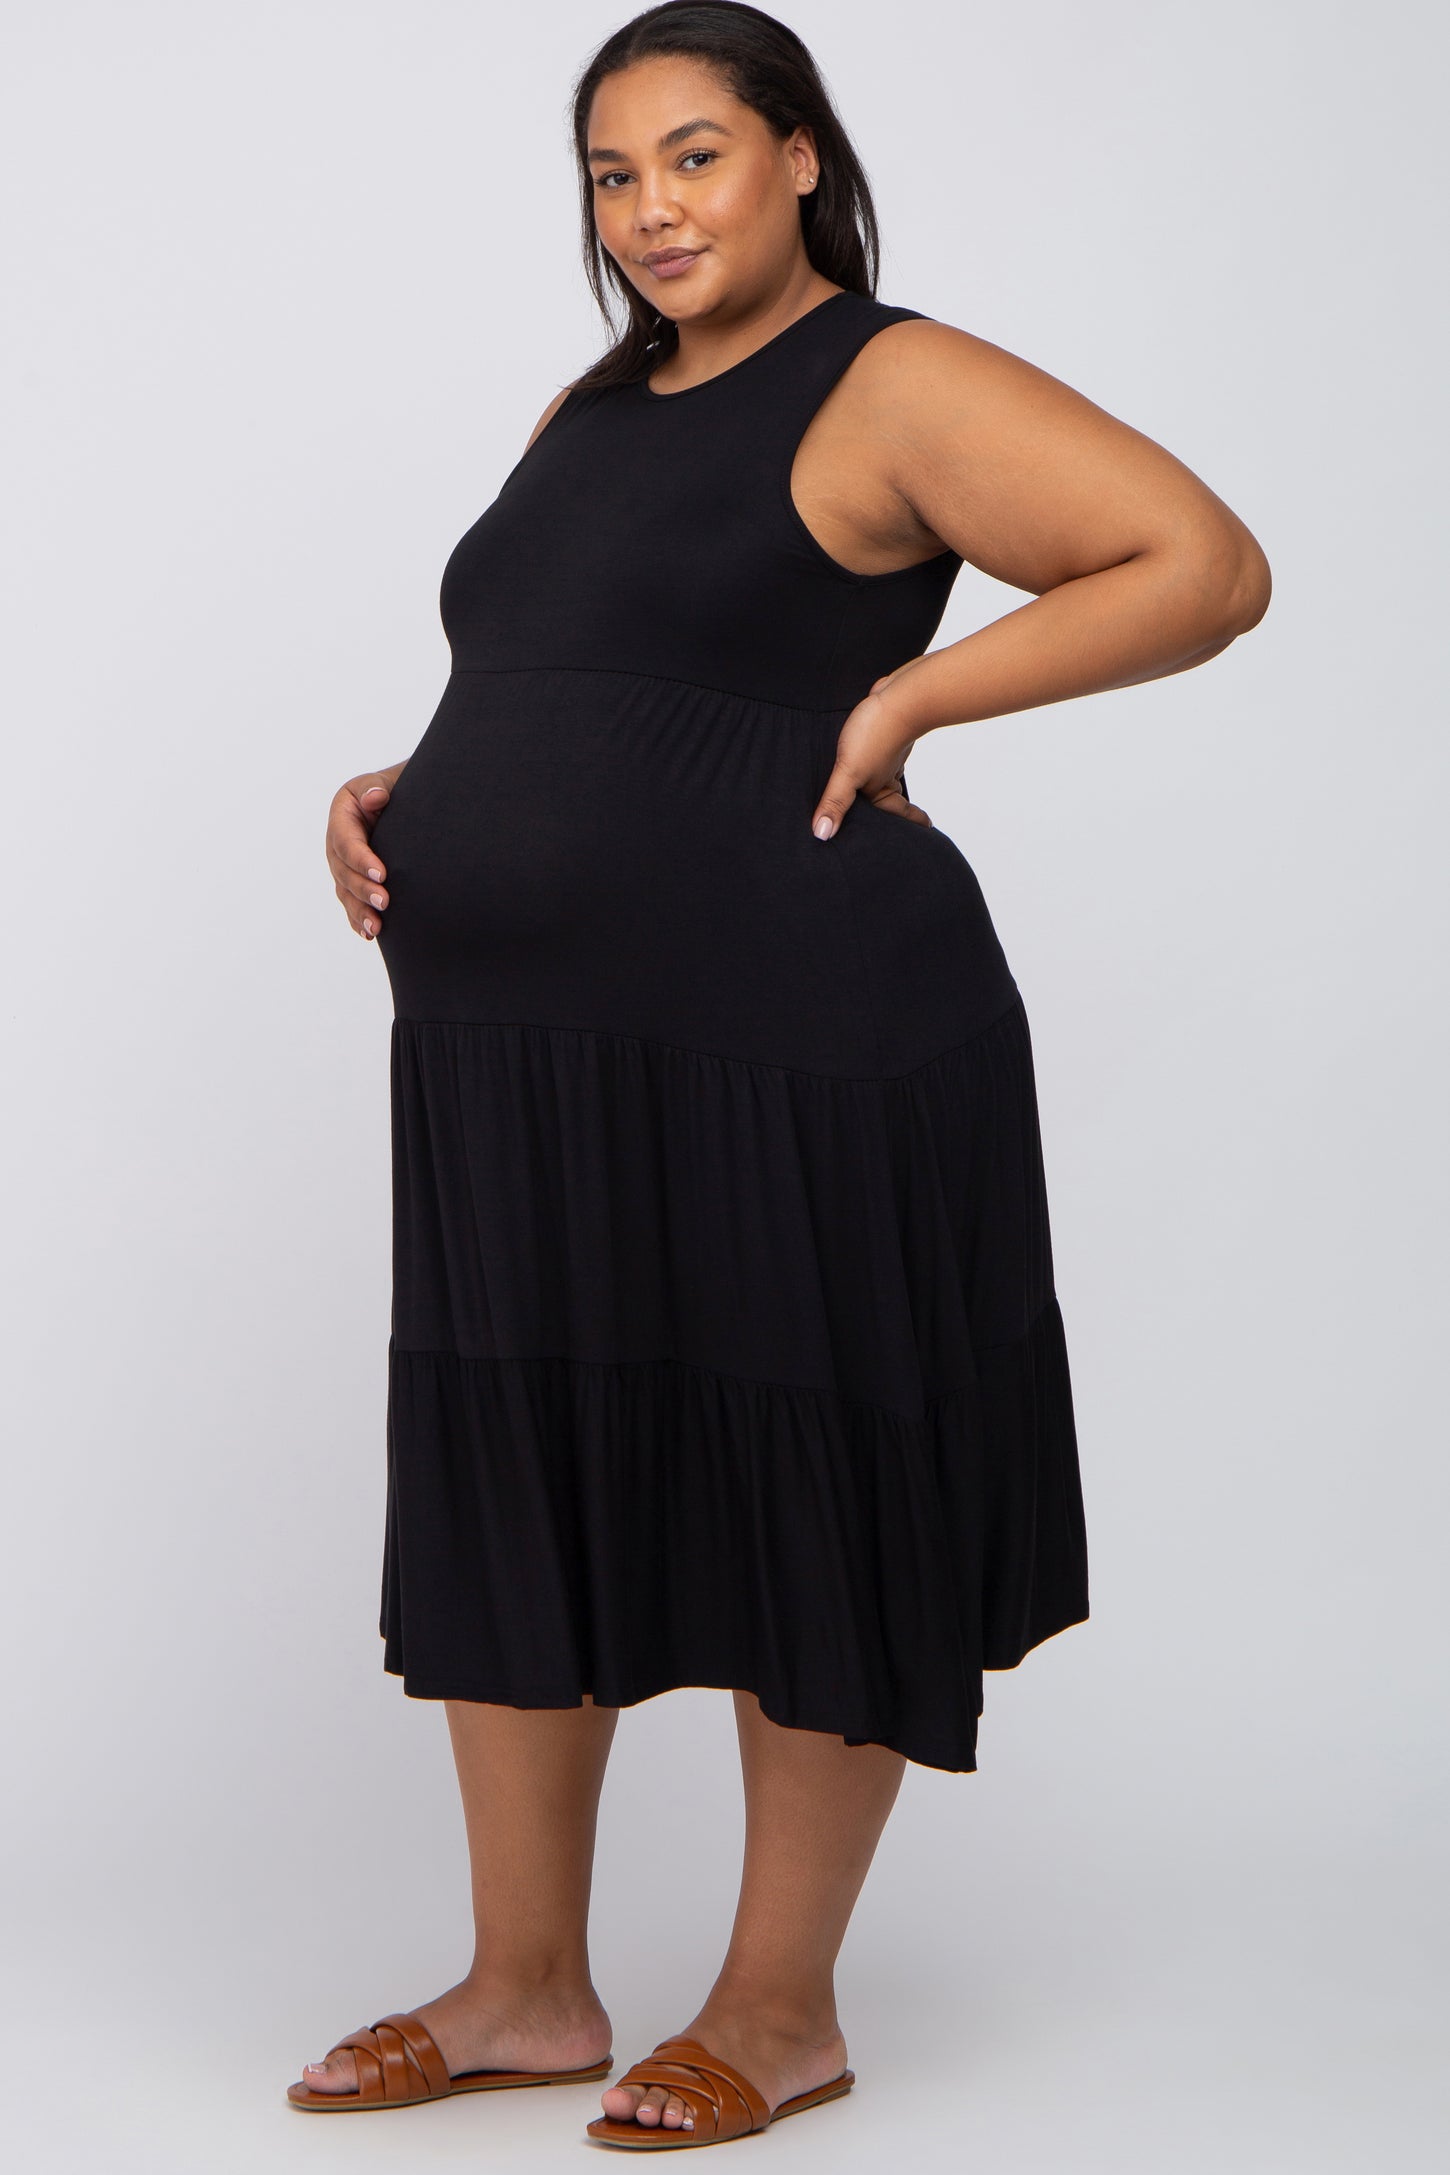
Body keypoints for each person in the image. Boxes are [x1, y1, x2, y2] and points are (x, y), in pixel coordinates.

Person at [296, 0, 1270, 2150]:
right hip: (524, 1062)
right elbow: (563, 663)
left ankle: (778, 2007)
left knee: (802, 1461)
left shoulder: (886, 381)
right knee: (529, 1452)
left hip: (795, 1046)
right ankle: (525, 1987)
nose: (649, 209)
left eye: (694, 156)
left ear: (798, 156)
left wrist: (908, 701)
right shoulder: (590, 405)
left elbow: (1200, 565)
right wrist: (417, 783)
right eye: (609, 173)